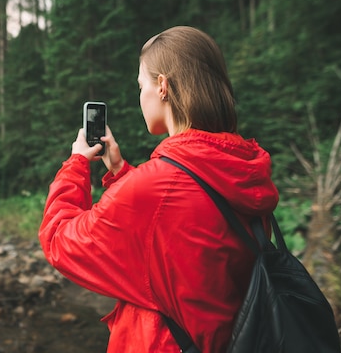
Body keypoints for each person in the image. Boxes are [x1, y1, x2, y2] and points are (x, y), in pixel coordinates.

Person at [38, 26, 279, 353]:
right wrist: (122, 173)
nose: (141, 96)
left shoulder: (159, 185)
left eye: (141, 85)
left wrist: (77, 163)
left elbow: (60, 241)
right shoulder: (240, 168)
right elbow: (180, 231)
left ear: (162, 86)